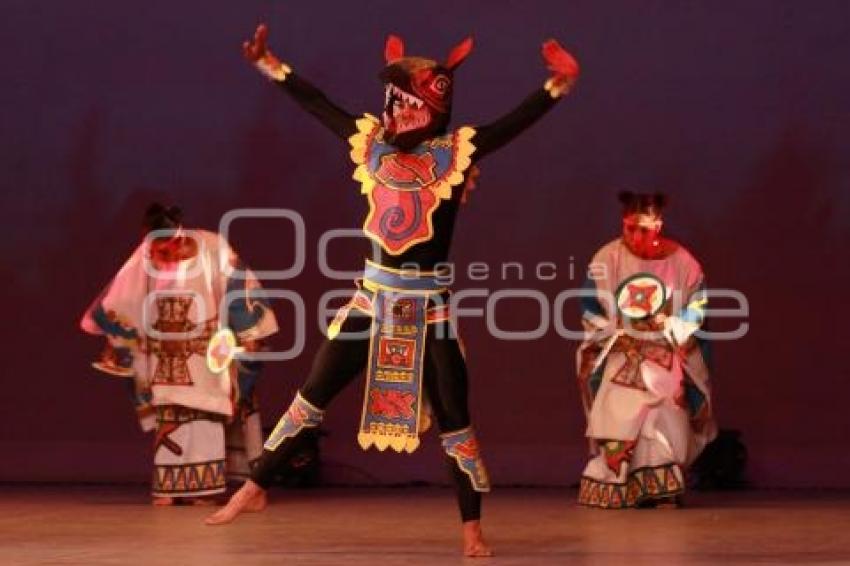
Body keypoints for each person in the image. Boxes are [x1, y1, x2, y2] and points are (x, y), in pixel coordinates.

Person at [205, 23, 580, 557]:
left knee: (455, 416)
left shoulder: (458, 154)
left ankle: (471, 528)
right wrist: (270, 64)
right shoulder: (371, 146)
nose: (398, 114)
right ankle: (252, 488)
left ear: (434, 108)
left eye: (410, 105)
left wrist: (557, 86)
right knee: (310, 397)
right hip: (370, 300)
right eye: (394, 103)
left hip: (429, 308)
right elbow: (317, 103)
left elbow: (511, 125)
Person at [81, 203, 278, 505]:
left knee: (207, 411)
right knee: (169, 411)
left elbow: (240, 289)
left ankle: (206, 488)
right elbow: (123, 300)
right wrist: (114, 341)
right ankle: (170, 489)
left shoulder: (213, 248)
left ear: (177, 238)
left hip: (207, 350)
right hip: (164, 352)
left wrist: (249, 334)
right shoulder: (146, 257)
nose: (159, 258)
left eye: (164, 251)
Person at [575, 192, 717, 509]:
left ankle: (661, 485)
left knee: (664, 406)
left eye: (644, 229)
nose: (636, 237)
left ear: (658, 226)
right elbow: (591, 308)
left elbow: (697, 308)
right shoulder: (606, 258)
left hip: (664, 349)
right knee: (618, 403)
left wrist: (672, 328)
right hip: (621, 349)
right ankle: (616, 480)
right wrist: (617, 331)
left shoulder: (683, 262)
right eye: (629, 229)